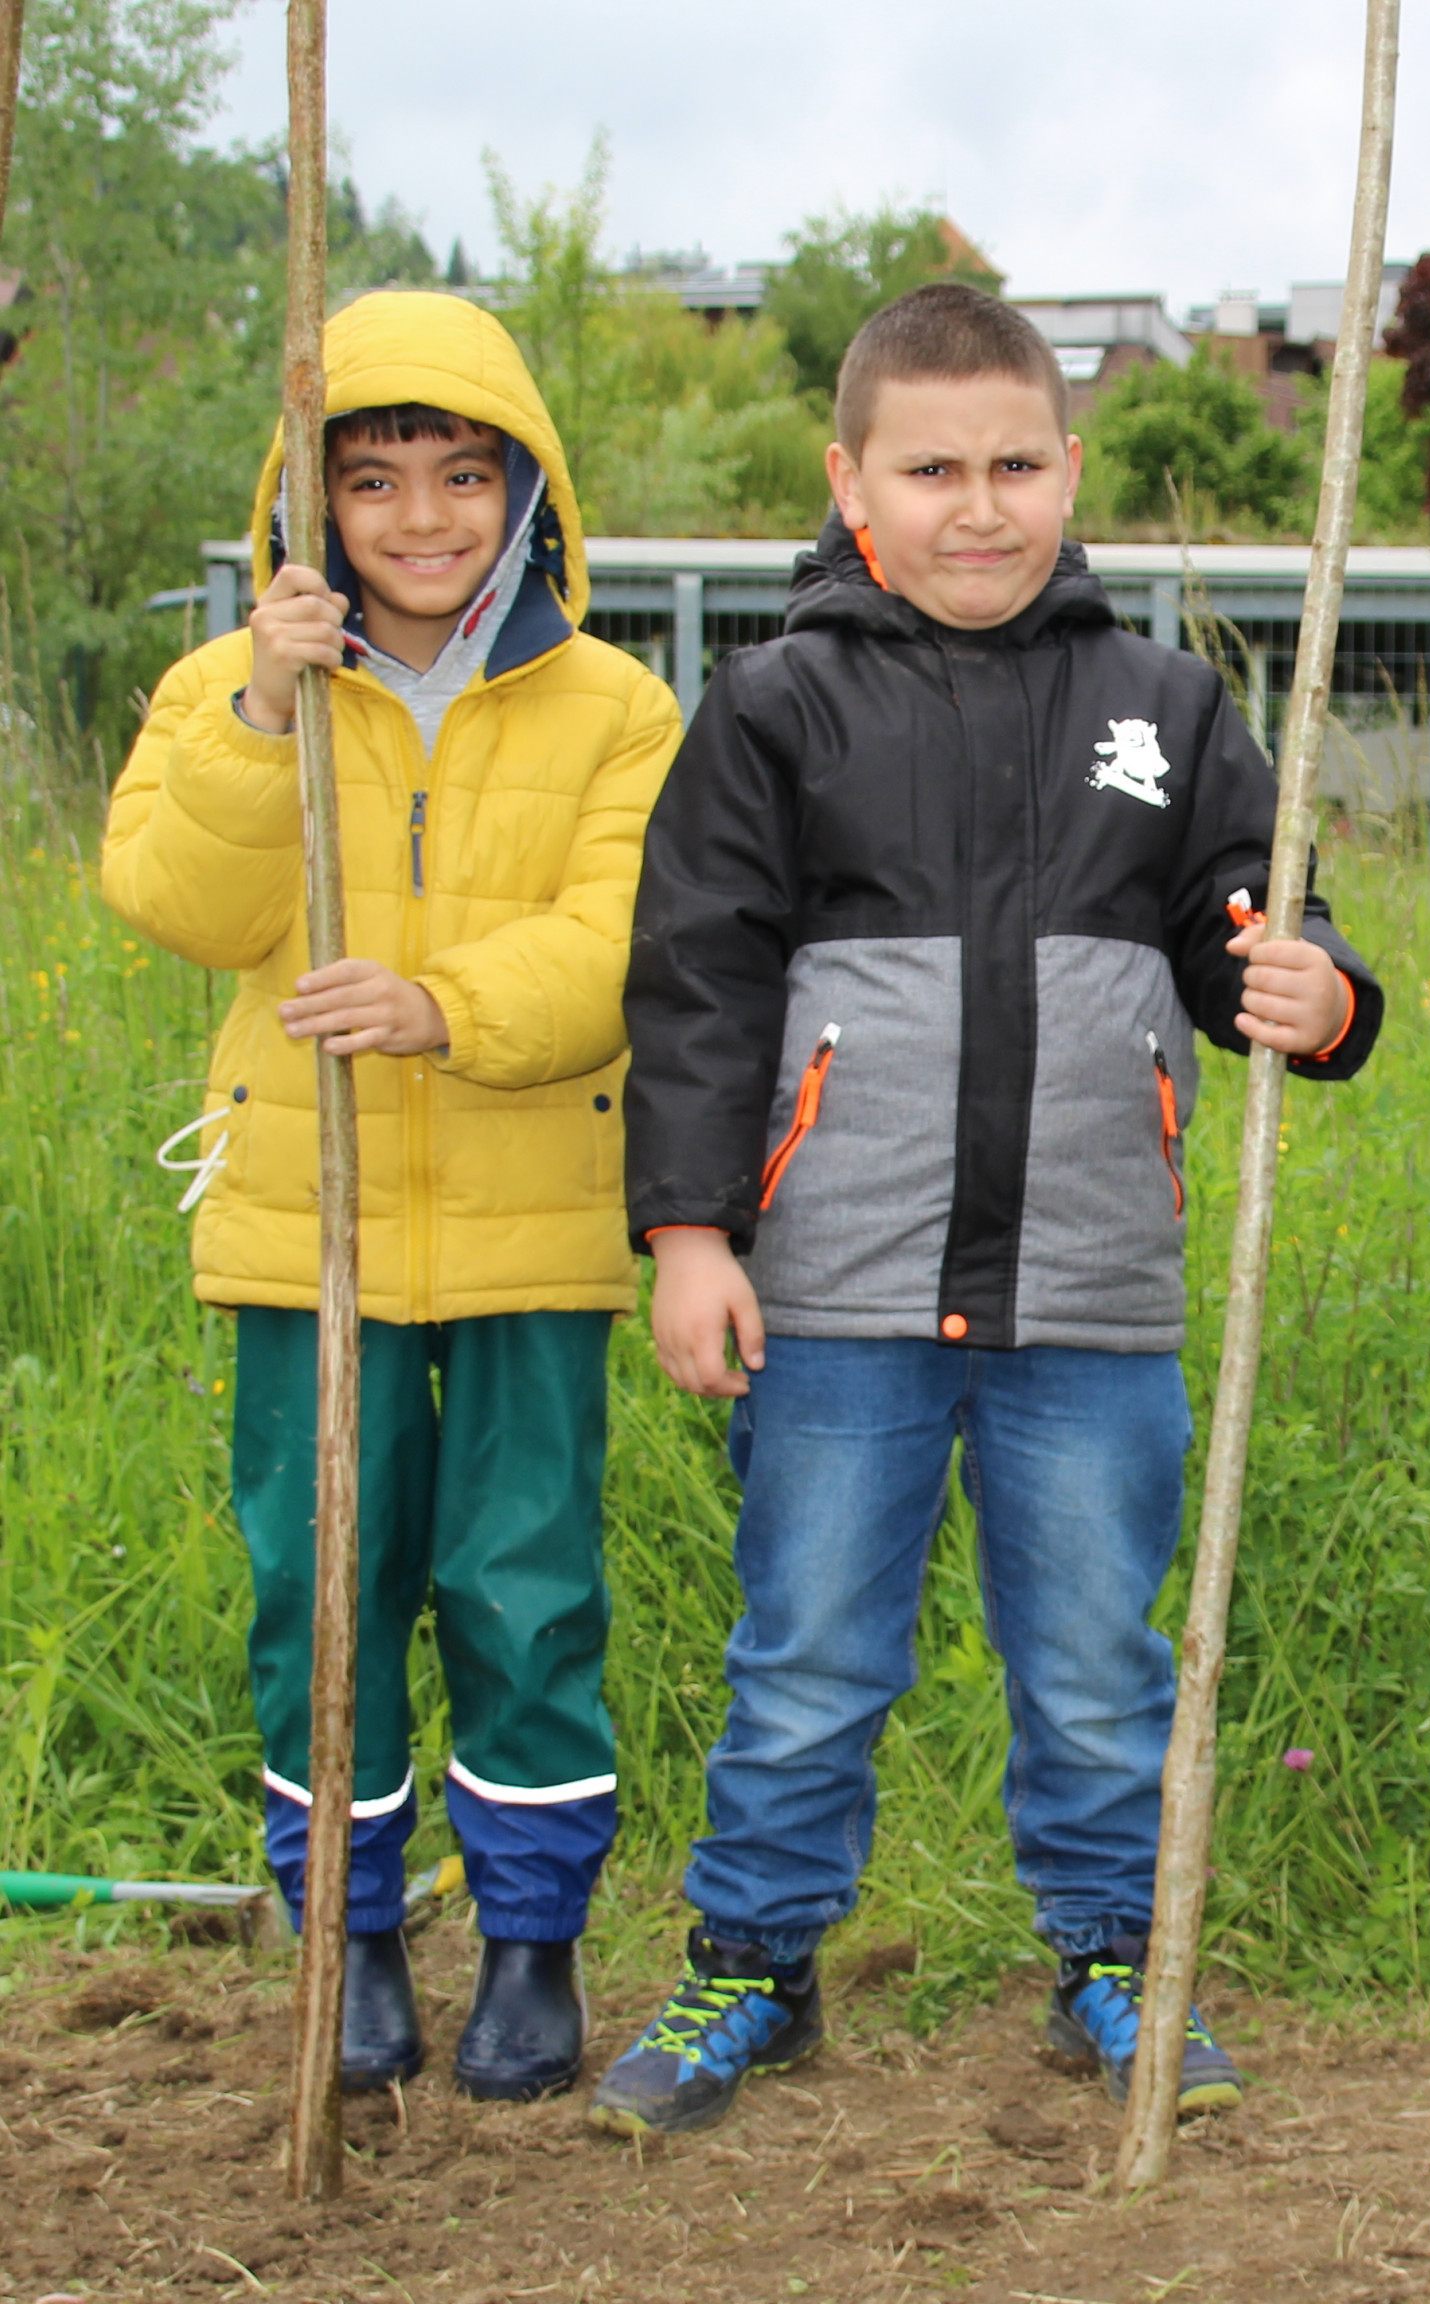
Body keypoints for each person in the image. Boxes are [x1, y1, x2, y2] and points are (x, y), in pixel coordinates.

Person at [595, 282, 1384, 2138]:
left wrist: (1317, 989)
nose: (978, 505)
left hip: (1093, 1294)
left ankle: (1117, 1959)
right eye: (930, 467)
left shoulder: (1168, 703)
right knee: (806, 1654)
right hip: (838, 1290)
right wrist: (693, 1234)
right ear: (850, 480)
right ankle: (751, 1968)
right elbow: (697, 980)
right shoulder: (780, 704)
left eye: (1015, 463)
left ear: (1072, 468)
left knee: (1101, 1662)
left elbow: (1259, 924)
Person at [102, 291, 682, 2100]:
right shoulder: (226, 689)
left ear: (528, 489)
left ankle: (529, 1942)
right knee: (320, 1583)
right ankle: (348, 1935)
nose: (423, 519)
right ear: (311, 500)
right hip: (307, 1237)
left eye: (461, 474)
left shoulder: (616, 705)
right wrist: (270, 704)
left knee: (525, 1590)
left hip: (531, 1227)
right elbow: (175, 903)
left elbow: (626, 944)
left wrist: (449, 1006)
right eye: (373, 481)